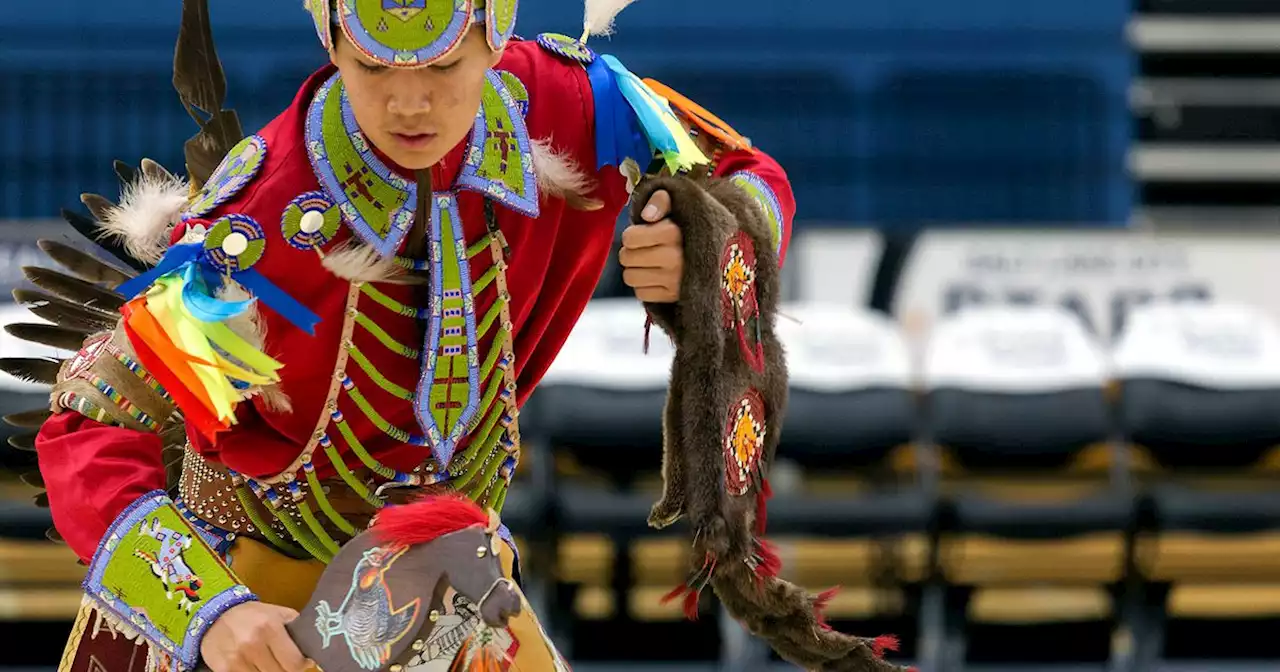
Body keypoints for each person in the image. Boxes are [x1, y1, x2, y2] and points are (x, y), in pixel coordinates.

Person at [10, 1, 796, 671]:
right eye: (374, 71)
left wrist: (703, 239)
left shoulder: (566, 107)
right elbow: (91, 423)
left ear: (497, 33)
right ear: (332, 43)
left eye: (445, 68)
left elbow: (744, 172)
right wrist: (208, 615)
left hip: (456, 586)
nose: (409, 105)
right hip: (262, 609)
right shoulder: (253, 228)